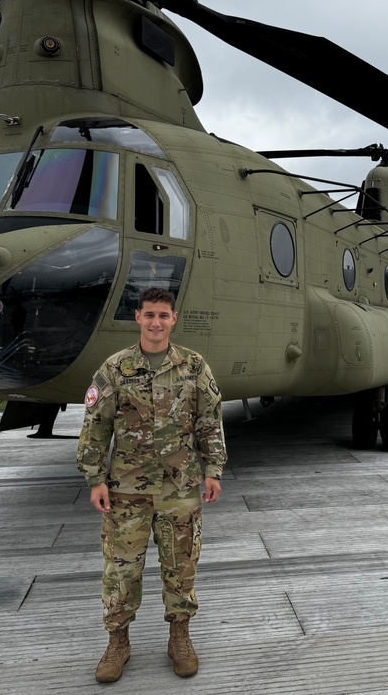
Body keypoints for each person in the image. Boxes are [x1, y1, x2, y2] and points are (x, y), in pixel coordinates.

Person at [77, 287, 227, 682]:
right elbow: (96, 425)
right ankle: (118, 642)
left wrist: (214, 470)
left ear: (173, 319)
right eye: (149, 315)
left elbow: (209, 421)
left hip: (180, 487)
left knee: (181, 567)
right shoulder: (115, 368)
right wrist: (95, 479)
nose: (156, 322)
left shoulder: (194, 367)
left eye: (163, 315)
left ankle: (179, 637)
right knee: (121, 569)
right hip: (127, 487)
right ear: (138, 318)